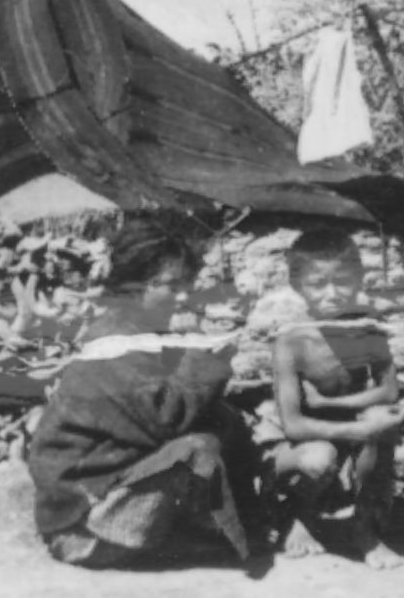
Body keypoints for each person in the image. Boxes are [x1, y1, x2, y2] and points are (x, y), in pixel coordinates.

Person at [26, 215, 257, 568]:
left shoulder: (145, 331)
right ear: (134, 288)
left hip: (110, 485)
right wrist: (202, 354)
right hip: (80, 525)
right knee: (196, 449)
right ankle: (186, 537)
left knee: (222, 418)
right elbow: (168, 417)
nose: (184, 296)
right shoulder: (112, 340)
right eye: (170, 285)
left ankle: (240, 521)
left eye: (188, 284)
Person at [265, 228, 404, 569]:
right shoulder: (292, 343)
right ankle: (300, 516)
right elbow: (294, 426)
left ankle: (364, 527)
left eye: (343, 281)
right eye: (318, 284)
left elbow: (389, 391)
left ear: (359, 278)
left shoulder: (369, 333)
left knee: (383, 420)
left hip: (338, 426)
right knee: (319, 457)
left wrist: (332, 406)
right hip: (295, 446)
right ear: (298, 286)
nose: (332, 294)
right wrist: (356, 431)